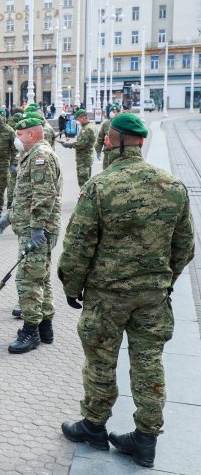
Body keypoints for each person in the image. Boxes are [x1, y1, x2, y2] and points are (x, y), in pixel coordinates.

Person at [59, 113, 195, 468]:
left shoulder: (100, 187)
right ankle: (146, 439)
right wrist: (164, 282)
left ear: (111, 141)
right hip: (153, 297)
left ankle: (93, 426)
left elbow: (77, 247)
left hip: (107, 297)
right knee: (149, 364)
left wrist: (72, 287)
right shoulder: (174, 187)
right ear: (139, 142)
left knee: (101, 362)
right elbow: (185, 248)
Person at [0, 115, 63, 353]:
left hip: (38, 231)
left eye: (19, 134)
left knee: (27, 279)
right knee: (40, 277)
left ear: (32, 135)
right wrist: (9, 215)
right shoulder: (31, 155)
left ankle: (30, 331)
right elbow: (25, 194)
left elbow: (44, 196)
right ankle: (45, 329)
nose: (16, 138)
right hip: (34, 228)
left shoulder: (41, 156)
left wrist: (36, 227)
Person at [60, 109, 96, 188]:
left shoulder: (86, 129)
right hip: (87, 157)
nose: (77, 121)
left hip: (84, 158)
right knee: (87, 179)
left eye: (78, 119)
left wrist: (69, 145)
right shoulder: (91, 125)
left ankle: (84, 197)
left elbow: (81, 144)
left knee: (83, 180)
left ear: (83, 117)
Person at [94, 104, 119, 170]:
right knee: (106, 172)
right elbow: (100, 138)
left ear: (118, 112)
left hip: (118, 153)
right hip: (107, 153)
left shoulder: (122, 123)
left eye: (114, 111)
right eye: (111, 111)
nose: (112, 113)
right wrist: (98, 150)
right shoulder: (106, 124)